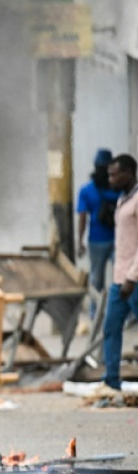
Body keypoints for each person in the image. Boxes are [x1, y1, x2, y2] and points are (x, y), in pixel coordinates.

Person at [97, 154, 138, 397]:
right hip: (119, 279)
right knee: (111, 328)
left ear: (130, 172)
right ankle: (111, 379)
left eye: (115, 174)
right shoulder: (124, 199)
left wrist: (132, 277)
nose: (111, 179)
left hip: (134, 279)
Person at [77, 148, 120, 317]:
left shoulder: (87, 190)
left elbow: (82, 217)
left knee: (100, 279)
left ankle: (97, 313)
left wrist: (79, 241)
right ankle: (99, 312)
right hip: (107, 240)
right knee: (108, 278)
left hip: (104, 240)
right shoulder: (118, 188)